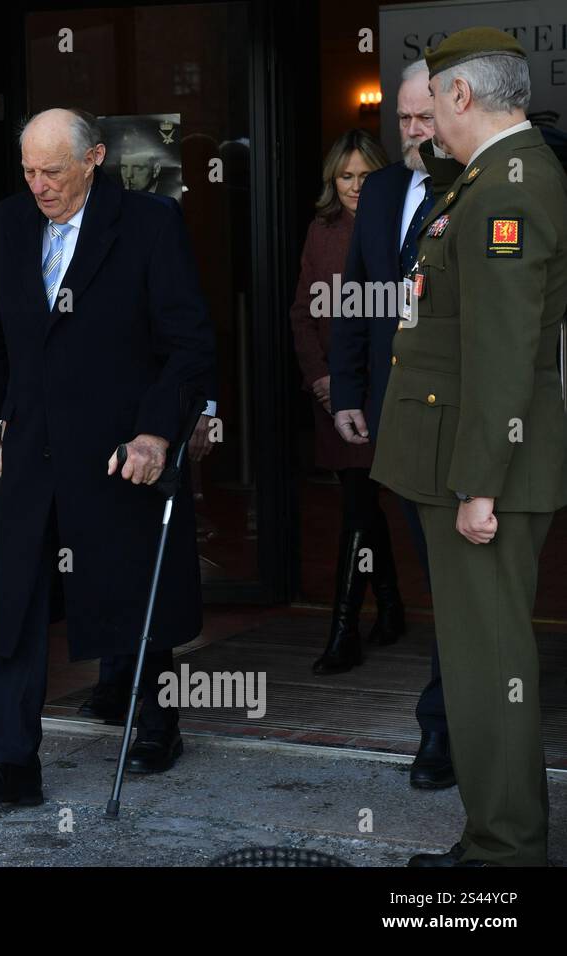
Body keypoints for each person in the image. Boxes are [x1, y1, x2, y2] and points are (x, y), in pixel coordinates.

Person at [0, 108, 216, 802]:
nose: (39, 185)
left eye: (54, 171)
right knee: (17, 601)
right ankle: (11, 763)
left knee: (127, 584)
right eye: (29, 171)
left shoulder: (150, 224)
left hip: (117, 443)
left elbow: (187, 344)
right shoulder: (8, 223)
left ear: (95, 157)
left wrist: (157, 434)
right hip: (28, 445)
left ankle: (153, 721)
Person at [371, 27, 567, 867]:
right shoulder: (487, 178)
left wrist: (479, 483)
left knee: (489, 668)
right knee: (477, 659)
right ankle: (499, 838)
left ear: (460, 96)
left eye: (429, 109)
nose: (417, 130)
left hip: (483, 469)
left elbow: (502, 350)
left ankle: (504, 854)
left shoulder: (509, 189)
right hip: (463, 459)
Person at [329, 59, 456, 790]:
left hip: (458, 419)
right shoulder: (378, 192)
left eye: (423, 118)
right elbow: (357, 295)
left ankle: (442, 730)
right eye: (403, 120)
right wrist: (348, 388)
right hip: (390, 411)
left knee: (456, 575)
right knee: (429, 562)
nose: (412, 132)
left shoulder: (476, 187)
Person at [289, 130, 397, 676]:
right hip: (335, 394)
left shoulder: (403, 223)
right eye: (345, 176)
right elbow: (302, 313)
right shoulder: (321, 230)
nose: (355, 186)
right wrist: (322, 379)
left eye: (365, 175)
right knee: (360, 501)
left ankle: (347, 630)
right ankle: (379, 616)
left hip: (389, 390)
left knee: (362, 504)